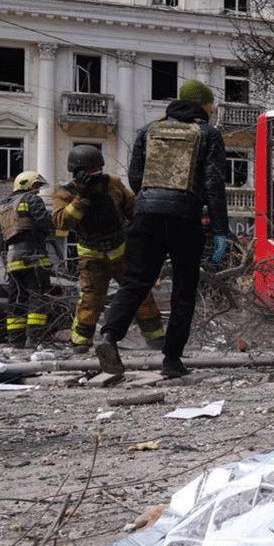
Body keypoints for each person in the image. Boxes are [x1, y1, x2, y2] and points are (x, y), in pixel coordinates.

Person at [95, 78, 229, 378]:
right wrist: (221, 229)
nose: (211, 109)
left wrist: (149, 201)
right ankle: (171, 360)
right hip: (185, 217)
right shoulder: (208, 134)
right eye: (210, 104)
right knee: (184, 288)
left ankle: (109, 336)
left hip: (146, 215)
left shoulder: (149, 130)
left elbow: (135, 176)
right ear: (203, 106)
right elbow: (213, 184)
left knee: (135, 282)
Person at [51, 145, 166, 353]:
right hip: (92, 256)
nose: (96, 174)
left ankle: (156, 340)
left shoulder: (113, 184)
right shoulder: (66, 193)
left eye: (98, 168)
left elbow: (134, 209)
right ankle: (81, 344)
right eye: (91, 169)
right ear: (78, 172)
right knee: (90, 301)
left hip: (122, 251)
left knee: (141, 295)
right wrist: (82, 199)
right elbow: (62, 223)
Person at [0, 171, 55, 348]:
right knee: (38, 297)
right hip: (34, 257)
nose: (38, 190)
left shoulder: (4, 206)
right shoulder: (32, 199)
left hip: (13, 260)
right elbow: (44, 223)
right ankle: (33, 338)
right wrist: (51, 228)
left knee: (16, 300)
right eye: (36, 185)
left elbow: (0, 238)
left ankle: (15, 340)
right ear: (27, 185)